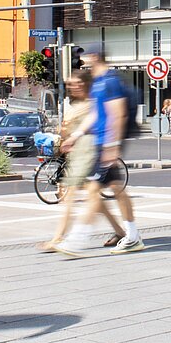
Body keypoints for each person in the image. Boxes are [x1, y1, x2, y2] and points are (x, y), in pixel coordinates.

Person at [72, 46, 143, 254]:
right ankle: (131, 235)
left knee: (94, 189)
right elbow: (95, 114)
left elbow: (118, 114)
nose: (83, 62)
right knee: (116, 189)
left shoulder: (110, 81)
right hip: (101, 143)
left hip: (107, 143)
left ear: (95, 57)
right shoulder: (97, 83)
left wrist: (112, 146)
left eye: (85, 58)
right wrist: (76, 135)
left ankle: (76, 240)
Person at [40, 70, 97, 252]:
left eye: (75, 84)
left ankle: (62, 239)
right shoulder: (75, 104)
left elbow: (92, 126)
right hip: (77, 155)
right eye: (70, 84)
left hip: (88, 153)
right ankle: (123, 231)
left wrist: (73, 134)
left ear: (84, 85)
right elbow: (66, 128)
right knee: (93, 198)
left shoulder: (92, 104)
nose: (72, 87)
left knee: (73, 197)